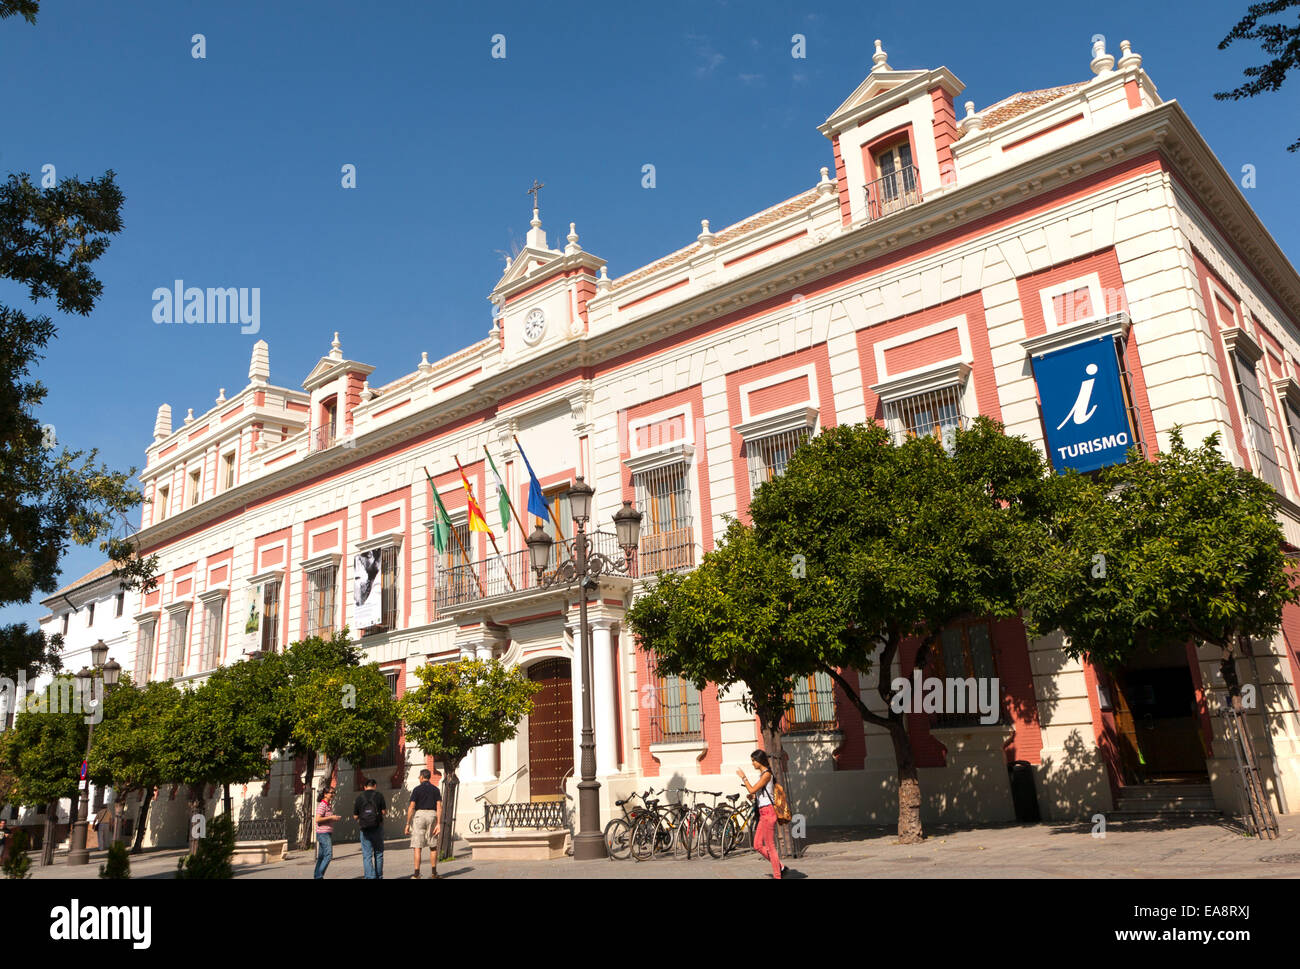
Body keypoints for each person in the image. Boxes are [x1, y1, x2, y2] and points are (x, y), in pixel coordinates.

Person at [737, 749, 785, 879]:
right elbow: (759, 792)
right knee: (757, 845)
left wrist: (744, 777)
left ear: (759, 761)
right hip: (763, 812)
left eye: (753, 760)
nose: (752, 763)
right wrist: (753, 796)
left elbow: (752, 788)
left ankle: (777, 875)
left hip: (768, 812)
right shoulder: (762, 774)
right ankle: (780, 866)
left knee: (770, 847)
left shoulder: (766, 775)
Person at [404, 768, 442, 879]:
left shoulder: (416, 790)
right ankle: (434, 873)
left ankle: (416, 874)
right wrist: (438, 823)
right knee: (433, 846)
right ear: (429, 777)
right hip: (432, 815)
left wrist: (407, 823)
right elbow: (439, 806)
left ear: (421, 777)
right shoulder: (436, 789)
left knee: (417, 846)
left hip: (419, 815)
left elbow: (412, 807)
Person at [353, 777, 387, 879]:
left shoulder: (359, 798)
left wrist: (361, 820)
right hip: (377, 827)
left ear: (365, 787)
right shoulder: (379, 796)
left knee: (367, 855)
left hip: (364, 829)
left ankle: (369, 877)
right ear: (375, 786)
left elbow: (355, 816)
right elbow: (384, 812)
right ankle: (379, 876)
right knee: (379, 853)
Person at [313, 787, 341, 879]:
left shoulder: (328, 805)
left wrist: (333, 818)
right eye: (331, 793)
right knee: (328, 855)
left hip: (326, 833)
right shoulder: (322, 805)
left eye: (334, 793)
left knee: (321, 857)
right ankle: (319, 876)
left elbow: (325, 818)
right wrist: (331, 818)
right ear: (325, 794)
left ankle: (317, 876)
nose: (332, 795)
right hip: (323, 833)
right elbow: (317, 819)